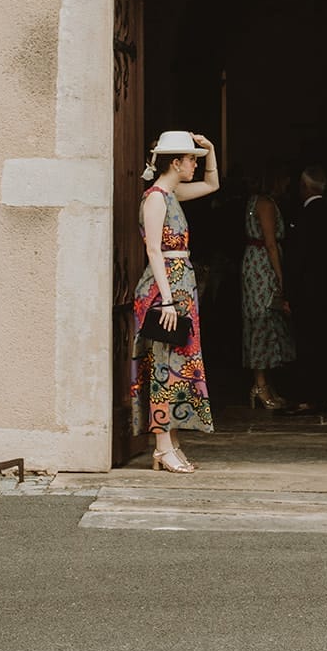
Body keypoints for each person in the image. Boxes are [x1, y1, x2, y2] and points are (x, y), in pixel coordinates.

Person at [132, 129, 219, 474]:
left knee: (178, 365)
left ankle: (172, 443)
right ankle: (162, 447)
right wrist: (167, 300)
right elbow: (154, 248)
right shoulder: (155, 197)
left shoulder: (172, 193)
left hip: (180, 286)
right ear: (175, 162)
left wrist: (209, 149)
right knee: (163, 366)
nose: (195, 166)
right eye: (191, 160)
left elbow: (213, 185)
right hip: (163, 289)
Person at [284, 164, 327, 413]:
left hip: (307, 292)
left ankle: (308, 397)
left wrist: (288, 293)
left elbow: (297, 260)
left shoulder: (303, 217)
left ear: (305, 187)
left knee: (307, 345)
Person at [241, 161, 295, 409]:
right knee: (262, 320)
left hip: (255, 262)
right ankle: (260, 385)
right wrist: (280, 275)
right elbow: (271, 242)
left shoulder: (256, 200)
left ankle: (265, 382)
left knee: (264, 319)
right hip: (262, 265)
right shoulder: (265, 204)